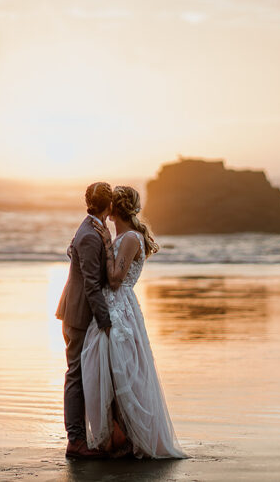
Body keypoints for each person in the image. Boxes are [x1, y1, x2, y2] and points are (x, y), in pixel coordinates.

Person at [80, 185, 187, 459]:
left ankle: (127, 438)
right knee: (107, 370)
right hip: (113, 306)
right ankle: (118, 436)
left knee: (121, 372)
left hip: (120, 309)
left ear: (115, 210)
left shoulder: (129, 238)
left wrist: (104, 245)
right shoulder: (125, 235)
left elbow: (115, 279)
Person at [55, 182, 114, 459]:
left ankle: (96, 435)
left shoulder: (93, 228)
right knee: (75, 375)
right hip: (79, 314)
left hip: (77, 311)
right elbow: (91, 285)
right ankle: (76, 441)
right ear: (109, 205)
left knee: (78, 373)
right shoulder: (91, 235)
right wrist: (106, 320)